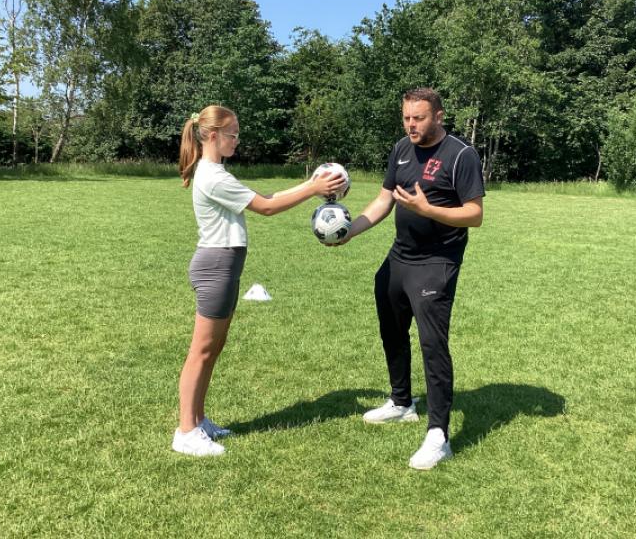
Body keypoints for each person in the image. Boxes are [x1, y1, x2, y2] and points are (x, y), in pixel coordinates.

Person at [172, 105, 344, 457]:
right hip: (216, 266)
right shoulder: (213, 176)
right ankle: (185, 430)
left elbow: (269, 199)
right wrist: (313, 188)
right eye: (232, 135)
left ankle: (199, 420)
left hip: (224, 266)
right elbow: (266, 207)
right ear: (214, 135)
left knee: (213, 348)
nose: (237, 140)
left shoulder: (217, 172)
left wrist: (311, 186)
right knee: (201, 351)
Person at [339, 88, 484, 470]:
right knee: (391, 330)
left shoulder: (461, 155)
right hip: (399, 257)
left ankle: (439, 435)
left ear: (438, 116)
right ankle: (402, 402)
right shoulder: (402, 149)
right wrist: (350, 231)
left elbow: (474, 214)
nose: (411, 125)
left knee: (432, 344)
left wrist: (427, 208)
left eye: (418, 118)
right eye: (406, 118)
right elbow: (384, 199)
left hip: (437, 261)